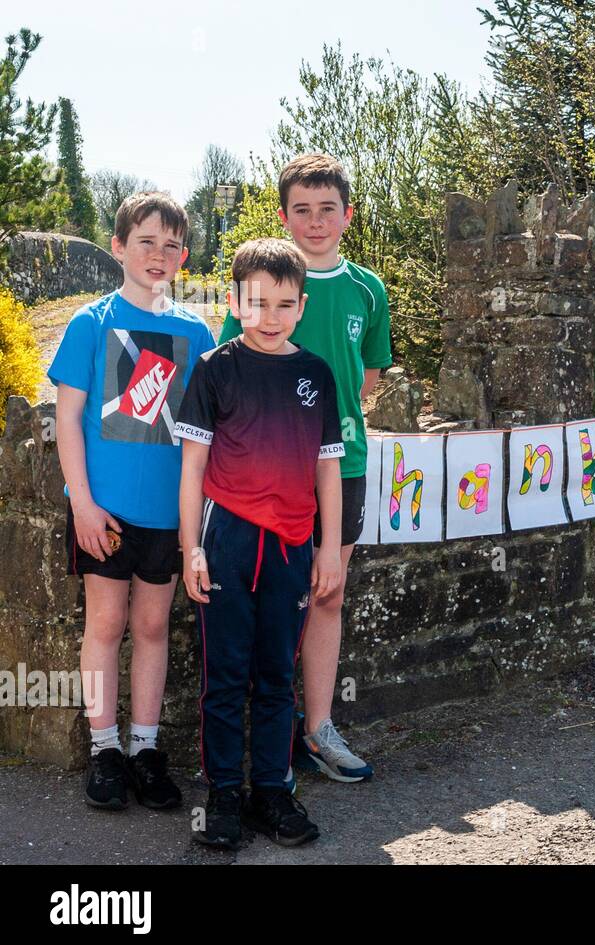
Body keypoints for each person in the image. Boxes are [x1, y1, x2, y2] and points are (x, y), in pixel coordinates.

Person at [217, 153, 390, 782]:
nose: (315, 221)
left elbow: (366, 380)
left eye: (327, 209)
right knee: (267, 598)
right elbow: (232, 370)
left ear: (346, 215)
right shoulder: (263, 287)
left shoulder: (368, 289)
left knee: (327, 591)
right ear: (285, 216)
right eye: (301, 209)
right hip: (265, 471)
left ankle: (317, 729)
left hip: (341, 465)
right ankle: (269, 739)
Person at [48, 192, 214, 811]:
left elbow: (203, 431)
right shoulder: (90, 323)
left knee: (151, 627)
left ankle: (145, 749)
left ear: (184, 257)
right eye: (145, 241)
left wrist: (192, 524)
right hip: (104, 511)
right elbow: (68, 422)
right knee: (106, 625)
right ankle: (105, 748)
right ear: (118, 247)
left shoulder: (197, 332)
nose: (158, 254)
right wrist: (83, 504)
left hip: (169, 516)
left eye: (172, 245)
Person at [177, 238, 344, 849]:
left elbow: (328, 468)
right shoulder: (216, 369)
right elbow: (193, 468)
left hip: (292, 546)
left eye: (283, 304)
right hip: (227, 540)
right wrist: (190, 549)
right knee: (224, 674)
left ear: (301, 306)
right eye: (257, 303)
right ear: (235, 301)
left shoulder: (316, 375)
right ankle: (224, 793)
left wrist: (328, 548)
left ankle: (271, 792)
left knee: (276, 673)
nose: (270, 317)